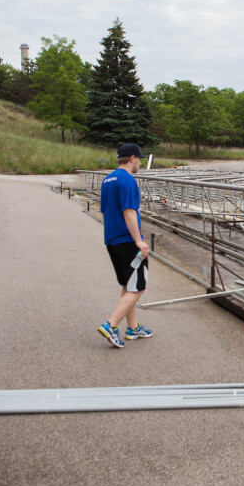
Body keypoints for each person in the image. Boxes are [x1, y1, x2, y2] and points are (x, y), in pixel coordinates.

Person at [97, 143, 153, 348]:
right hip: (128, 241)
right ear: (132, 158)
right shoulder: (128, 180)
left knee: (128, 285)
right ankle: (111, 325)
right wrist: (138, 240)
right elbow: (129, 211)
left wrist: (113, 232)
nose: (139, 162)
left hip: (112, 240)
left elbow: (104, 211)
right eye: (139, 158)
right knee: (138, 286)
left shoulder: (107, 179)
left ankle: (133, 327)